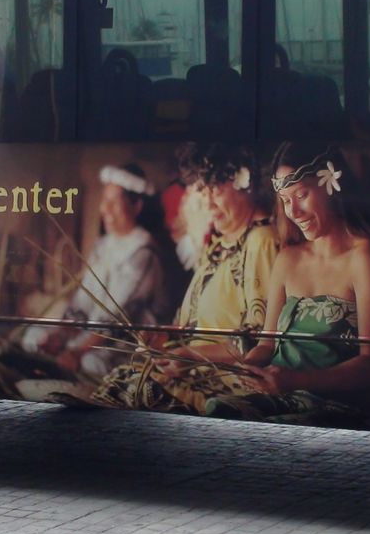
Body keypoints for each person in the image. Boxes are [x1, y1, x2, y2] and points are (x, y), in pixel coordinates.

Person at [202, 142, 370, 424]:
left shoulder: (366, 258)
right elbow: (267, 345)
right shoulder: (288, 258)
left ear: (331, 185)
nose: (293, 211)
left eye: (301, 195)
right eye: (285, 200)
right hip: (282, 394)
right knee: (217, 412)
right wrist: (249, 366)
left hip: (337, 406)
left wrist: (297, 380)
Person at [90, 143, 279, 410]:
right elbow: (195, 322)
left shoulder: (262, 242)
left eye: (216, 191)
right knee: (121, 379)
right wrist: (164, 336)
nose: (209, 204)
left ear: (243, 183)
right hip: (195, 372)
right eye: (204, 191)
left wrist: (191, 355)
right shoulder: (220, 241)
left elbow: (257, 342)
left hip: (227, 383)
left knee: (132, 390)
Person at [18, 164, 173, 378]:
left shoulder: (143, 254)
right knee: (34, 337)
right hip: (90, 335)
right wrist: (59, 335)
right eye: (104, 200)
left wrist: (77, 351)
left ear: (136, 206)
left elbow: (119, 319)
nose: (104, 209)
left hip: (125, 342)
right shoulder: (103, 246)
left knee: (92, 363)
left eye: (113, 202)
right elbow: (82, 303)